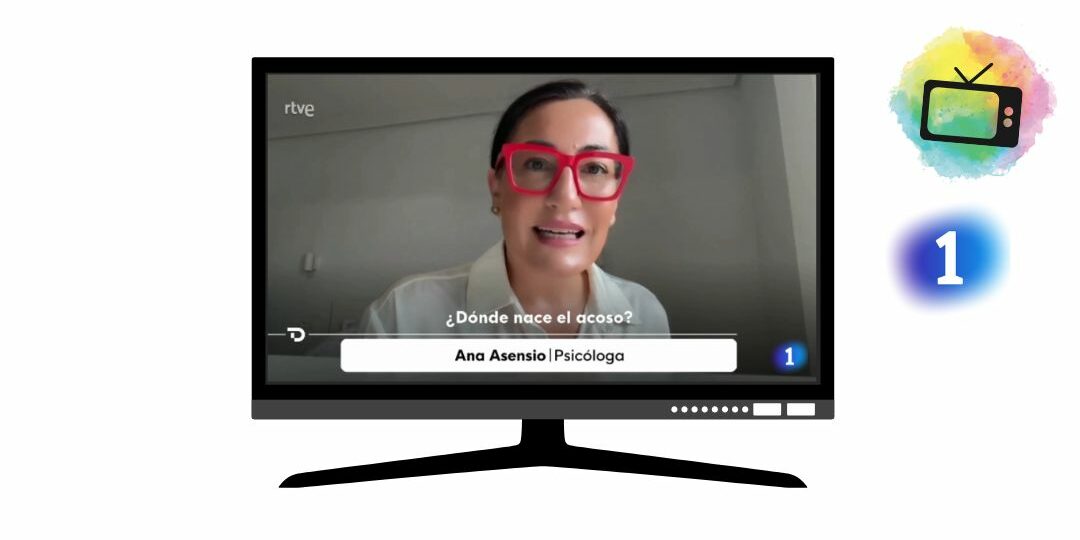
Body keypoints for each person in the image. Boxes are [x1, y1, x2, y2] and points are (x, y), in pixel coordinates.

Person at [361, 80, 669, 337]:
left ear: (616, 197)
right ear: (496, 187)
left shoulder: (645, 316)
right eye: (537, 164)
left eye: (594, 169)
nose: (566, 196)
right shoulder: (404, 319)